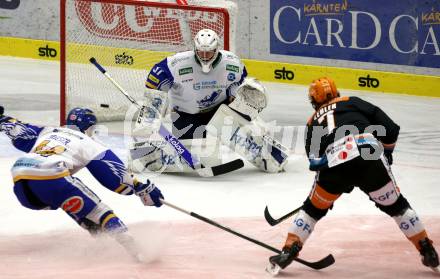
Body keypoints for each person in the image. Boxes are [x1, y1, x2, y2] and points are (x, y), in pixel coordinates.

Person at [268, 77, 439, 272]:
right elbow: (390, 129)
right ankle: (427, 249)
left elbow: (315, 161)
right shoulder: (353, 102)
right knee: (397, 206)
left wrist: (341, 179)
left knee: (312, 211)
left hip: (334, 166)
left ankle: (289, 250)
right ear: (336, 92)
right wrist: (387, 154)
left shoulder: (313, 121)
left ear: (313, 101)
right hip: (369, 156)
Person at [0, 105, 164, 261]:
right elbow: (116, 180)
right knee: (99, 210)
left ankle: (100, 238)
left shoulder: (47, 131)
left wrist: (2, 118)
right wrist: (140, 187)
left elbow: (17, 129)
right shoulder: (89, 142)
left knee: (69, 198)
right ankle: (135, 250)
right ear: (87, 126)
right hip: (50, 175)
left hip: (21, 182)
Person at [131, 28, 288, 174]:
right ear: (195, 49)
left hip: (218, 111)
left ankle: (270, 156)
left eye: (209, 52)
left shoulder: (232, 63)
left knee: (246, 138)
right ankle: (145, 157)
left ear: (217, 49)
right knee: (204, 157)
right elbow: (156, 76)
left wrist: (237, 100)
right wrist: (154, 103)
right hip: (186, 117)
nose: (205, 56)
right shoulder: (177, 64)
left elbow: (238, 80)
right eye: (201, 52)